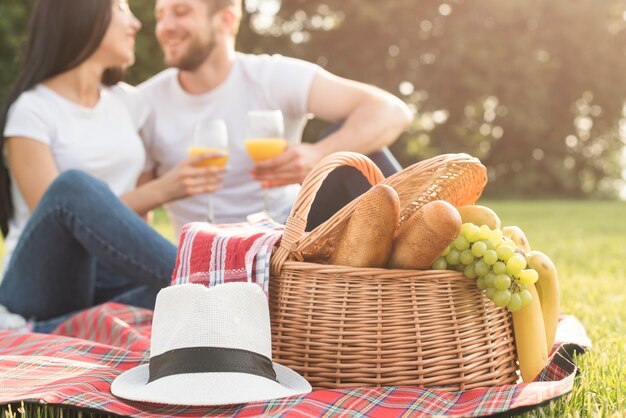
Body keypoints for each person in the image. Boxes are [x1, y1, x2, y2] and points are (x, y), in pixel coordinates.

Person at [0, 0, 219, 333]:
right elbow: (55, 215)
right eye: (121, 9)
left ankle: (59, 329)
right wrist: (162, 190)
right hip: (41, 282)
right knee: (72, 187)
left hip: (107, 276)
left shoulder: (128, 104)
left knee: (175, 299)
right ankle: (213, 281)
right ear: (82, 16)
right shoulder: (32, 110)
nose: (136, 24)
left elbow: (129, 231)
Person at [138, 0, 413, 237]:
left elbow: (391, 111)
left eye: (181, 12)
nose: (164, 27)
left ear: (226, 19)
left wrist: (318, 154)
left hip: (290, 237)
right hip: (210, 251)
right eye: (161, 15)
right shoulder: (146, 102)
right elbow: (139, 213)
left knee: (358, 155)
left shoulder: (270, 76)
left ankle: (421, 274)